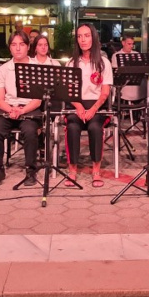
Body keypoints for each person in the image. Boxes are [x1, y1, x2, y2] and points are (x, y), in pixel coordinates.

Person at [0, 32, 42, 187]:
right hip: (7, 107)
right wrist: (11, 109)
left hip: (29, 108)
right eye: (14, 45)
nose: (18, 48)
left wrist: (21, 111)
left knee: (30, 131)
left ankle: (30, 170)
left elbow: (37, 101)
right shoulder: (3, 69)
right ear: (10, 48)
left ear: (28, 47)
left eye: (21, 44)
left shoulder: (37, 67)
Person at [65, 24, 113, 187]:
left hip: (97, 106)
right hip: (76, 104)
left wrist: (93, 109)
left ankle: (96, 171)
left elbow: (105, 93)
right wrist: (79, 106)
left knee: (94, 127)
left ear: (93, 37)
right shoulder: (72, 63)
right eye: (79, 36)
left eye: (86, 35)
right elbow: (69, 91)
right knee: (72, 126)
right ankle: (72, 170)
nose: (83, 40)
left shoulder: (104, 63)